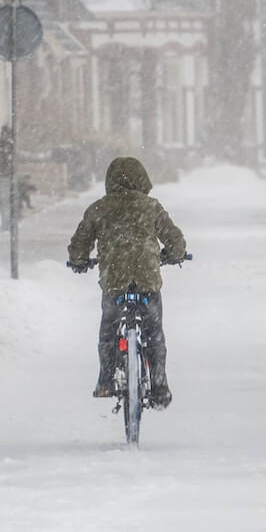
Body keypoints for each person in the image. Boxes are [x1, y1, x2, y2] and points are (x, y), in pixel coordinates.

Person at [67, 157, 187, 410]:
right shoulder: (151, 207)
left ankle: (106, 379)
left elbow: (80, 242)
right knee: (154, 332)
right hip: (147, 279)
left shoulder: (99, 208)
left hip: (114, 280)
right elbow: (174, 239)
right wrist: (175, 254)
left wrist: (79, 261)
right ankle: (159, 384)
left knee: (109, 328)